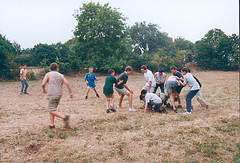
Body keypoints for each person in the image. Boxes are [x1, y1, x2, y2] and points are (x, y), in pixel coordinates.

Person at [41, 63, 73, 129]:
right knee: (53, 109)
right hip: (59, 94)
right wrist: (70, 93)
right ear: (57, 68)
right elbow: (67, 83)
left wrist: (44, 89)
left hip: (51, 94)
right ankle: (52, 125)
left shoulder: (48, 74)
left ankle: (64, 117)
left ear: (50, 69)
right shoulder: (61, 75)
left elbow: (43, 84)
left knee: (51, 110)